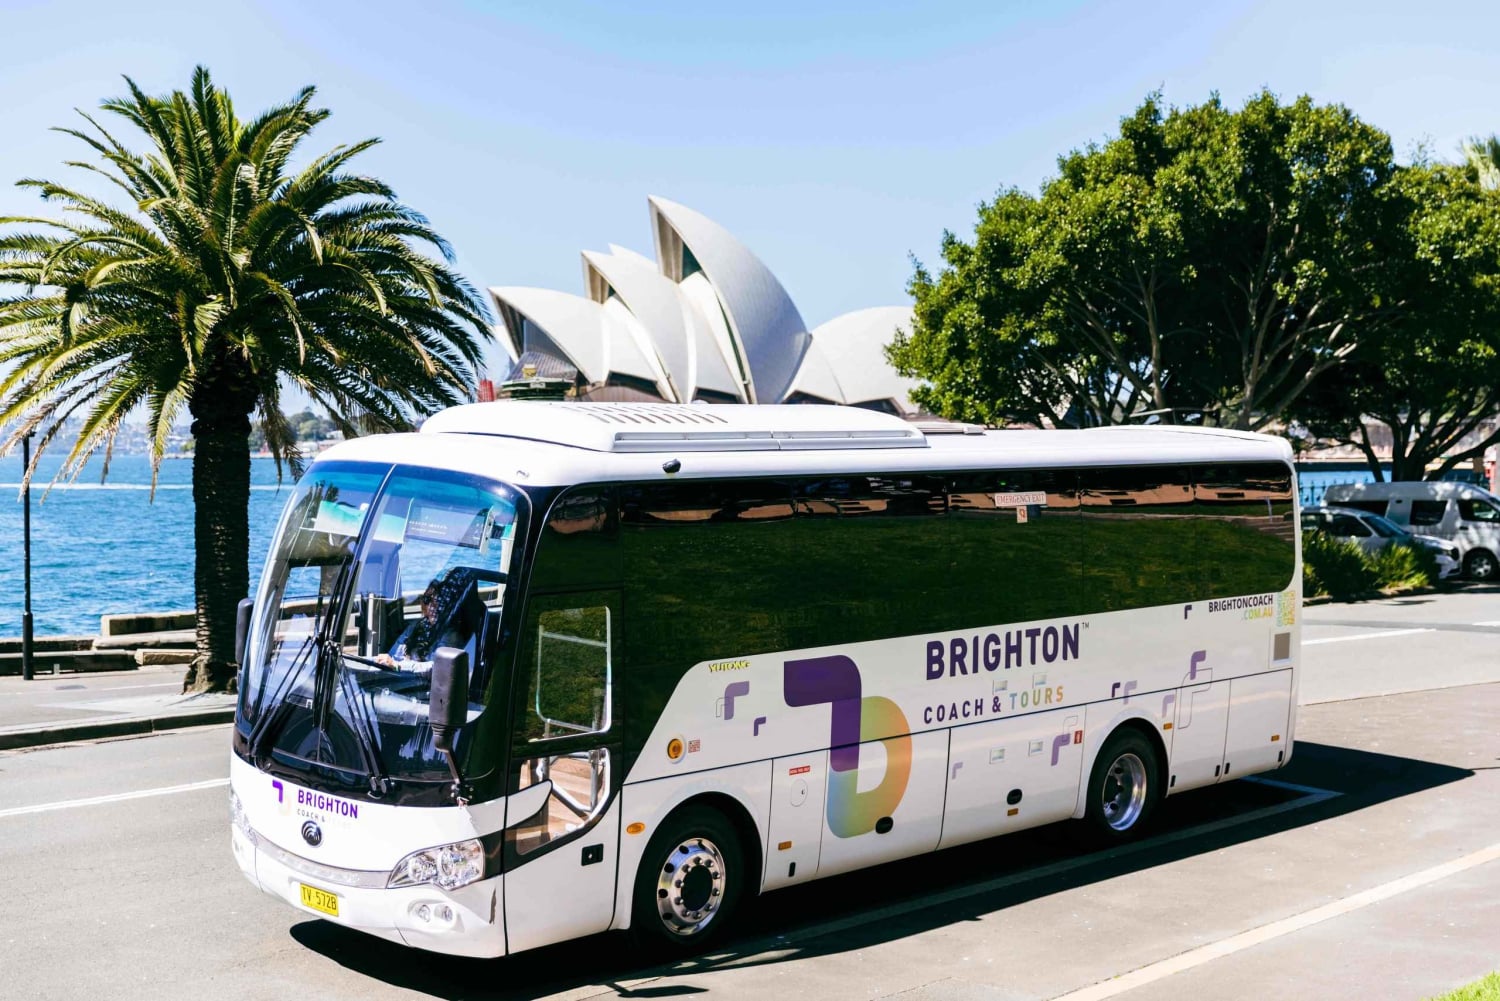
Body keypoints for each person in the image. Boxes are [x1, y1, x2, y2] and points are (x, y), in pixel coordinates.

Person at [375, 578, 466, 673]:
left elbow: (435, 668)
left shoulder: (450, 635)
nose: (432, 606)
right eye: (427, 600)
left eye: (439, 601)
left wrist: (398, 666)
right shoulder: (416, 626)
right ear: (423, 604)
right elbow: (394, 655)